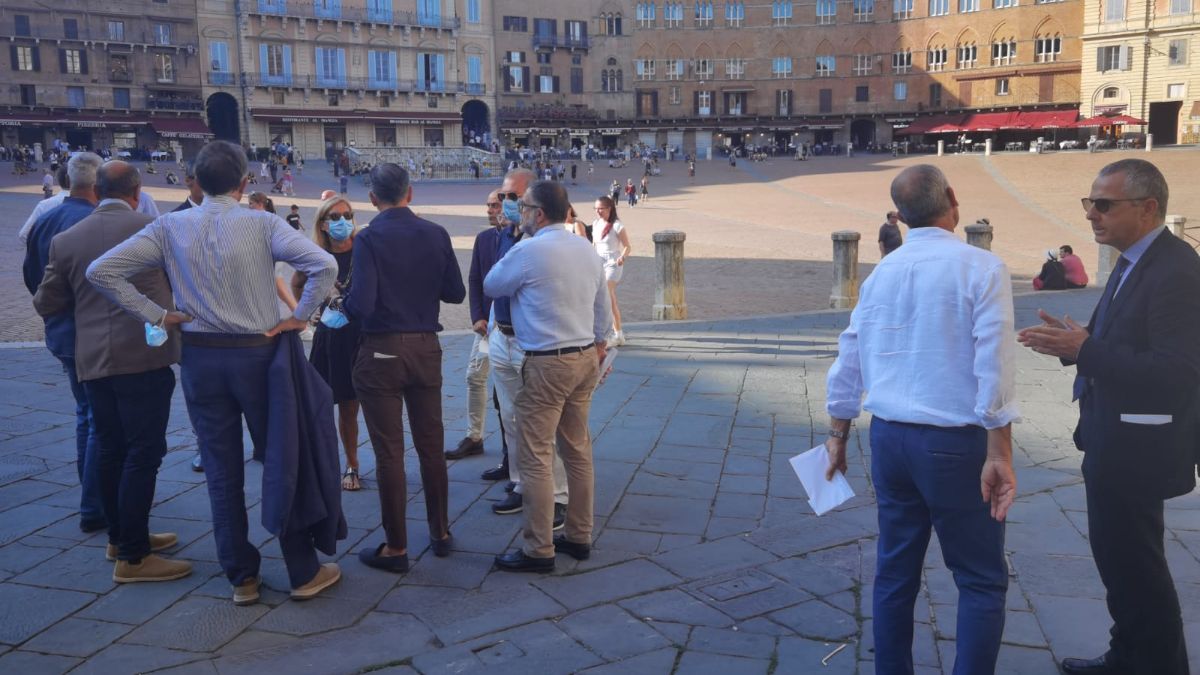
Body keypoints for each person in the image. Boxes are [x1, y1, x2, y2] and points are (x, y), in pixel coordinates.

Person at [87, 140, 343, 606]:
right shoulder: (262, 223)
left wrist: (157, 314)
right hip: (259, 356)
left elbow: (101, 271)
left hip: (202, 359)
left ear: (197, 183)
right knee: (282, 456)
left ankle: (240, 576)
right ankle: (302, 569)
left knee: (221, 472)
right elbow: (323, 264)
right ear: (245, 182)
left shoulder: (170, 225)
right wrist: (300, 315)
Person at [825, 164, 1018, 674]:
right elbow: (994, 364)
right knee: (979, 577)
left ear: (901, 216)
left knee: (895, 570)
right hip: (955, 441)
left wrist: (838, 432)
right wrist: (1000, 448)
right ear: (952, 199)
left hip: (889, 438)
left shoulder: (882, 273)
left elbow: (849, 354)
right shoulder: (982, 267)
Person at [1018, 159, 1200, 675]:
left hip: (1139, 448)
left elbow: (1178, 370)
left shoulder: (1176, 270)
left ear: (1147, 208)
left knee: (1138, 569)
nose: (1091, 214)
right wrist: (1075, 343)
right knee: (1120, 564)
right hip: (1113, 437)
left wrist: (1087, 350)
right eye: (1089, 202)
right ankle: (1128, 656)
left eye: (1104, 204)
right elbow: (1120, 339)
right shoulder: (1134, 259)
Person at [31, 161, 191, 583]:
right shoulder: (154, 230)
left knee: (108, 447)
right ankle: (134, 558)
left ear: (96, 192)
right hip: (143, 357)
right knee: (144, 453)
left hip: (93, 359)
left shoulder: (66, 239)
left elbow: (45, 302)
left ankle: (120, 538)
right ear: (137, 193)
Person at [342, 163, 465, 573]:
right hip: (426, 347)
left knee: (389, 451)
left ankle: (396, 547)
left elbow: (362, 303)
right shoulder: (436, 233)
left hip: (382, 350)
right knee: (431, 444)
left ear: (372, 198)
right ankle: (440, 531)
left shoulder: (369, 238)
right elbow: (455, 292)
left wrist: (341, 305)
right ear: (410, 193)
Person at [485, 180, 611, 572]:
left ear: (538, 214)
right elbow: (603, 309)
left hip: (547, 361)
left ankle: (538, 549)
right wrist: (599, 343)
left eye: (523, 207)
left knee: (536, 455)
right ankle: (579, 535)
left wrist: (515, 241)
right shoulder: (585, 248)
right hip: (584, 355)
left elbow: (492, 284)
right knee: (577, 449)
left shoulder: (528, 250)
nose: (519, 212)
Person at [22, 152, 106, 533]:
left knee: (84, 413)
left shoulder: (45, 218)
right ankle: (95, 504)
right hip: (90, 332)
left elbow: (32, 278)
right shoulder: (92, 223)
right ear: (97, 184)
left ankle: (91, 491)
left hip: (60, 331)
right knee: (99, 417)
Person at [488, 170, 571, 521]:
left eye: (515, 198)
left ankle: (558, 494)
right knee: (510, 418)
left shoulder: (547, 242)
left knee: (543, 424)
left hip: (532, 343)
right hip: (502, 335)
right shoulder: (506, 234)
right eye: (504, 197)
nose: (508, 204)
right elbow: (491, 285)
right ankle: (521, 483)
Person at [292, 197, 363, 492]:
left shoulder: (363, 249)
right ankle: (350, 464)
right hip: (331, 337)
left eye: (347, 215)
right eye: (335, 217)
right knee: (339, 404)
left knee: (367, 404)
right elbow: (296, 283)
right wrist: (307, 313)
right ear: (323, 224)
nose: (342, 221)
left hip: (362, 335)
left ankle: (380, 462)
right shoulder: (316, 256)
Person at [446, 189, 511, 475]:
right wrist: (477, 316)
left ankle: (512, 450)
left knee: (506, 390)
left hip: (511, 327)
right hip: (487, 326)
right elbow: (474, 279)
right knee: (475, 375)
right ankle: (474, 436)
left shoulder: (520, 238)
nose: (489, 210)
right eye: (488, 205)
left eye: (495, 205)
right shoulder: (484, 239)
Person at [592, 196, 632, 346]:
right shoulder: (596, 223)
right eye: (596, 208)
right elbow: (594, 245)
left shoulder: (617, 225)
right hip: (598, 263)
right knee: (608, 298)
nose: (598, 211)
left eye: (601, 208)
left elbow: (627, 246)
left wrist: (622, 257)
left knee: (606, 294)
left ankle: (611, 334)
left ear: (609, 209)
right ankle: (617, 334)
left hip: (613, 263)